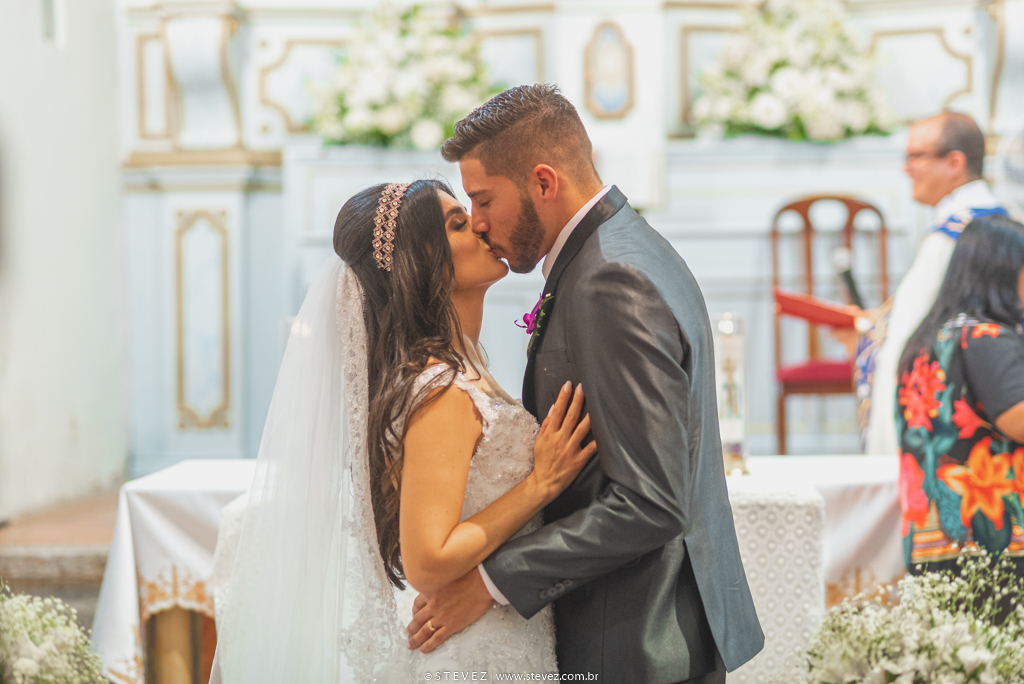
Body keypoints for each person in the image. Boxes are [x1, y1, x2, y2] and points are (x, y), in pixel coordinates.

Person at [405, 85, 763, 683]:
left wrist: (492, 583)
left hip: (634, 638)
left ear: (543, 182)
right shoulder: (624, 246)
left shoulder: (609, 279)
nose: (480, 222)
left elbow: (650, 502)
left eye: (485, 199)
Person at [211, 179, 596, 682]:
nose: (481, 226)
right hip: (474, 653)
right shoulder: (442, 389)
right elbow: (428, 561)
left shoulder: (460, 368)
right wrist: (538, 486)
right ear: (426, 261)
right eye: (459, 223)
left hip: (503, 633)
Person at [856, 112, 1008, 455]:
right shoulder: (995, 222)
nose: (906, 168)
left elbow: (908, 339)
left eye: (916, 156)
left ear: (954, 162)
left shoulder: (954, 236)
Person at [896, 214, 1024, 574]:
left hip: (933, 535)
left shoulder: (927, 339)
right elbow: (1018, 420)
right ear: (1003, 271)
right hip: (996, 536)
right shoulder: (987, 338)